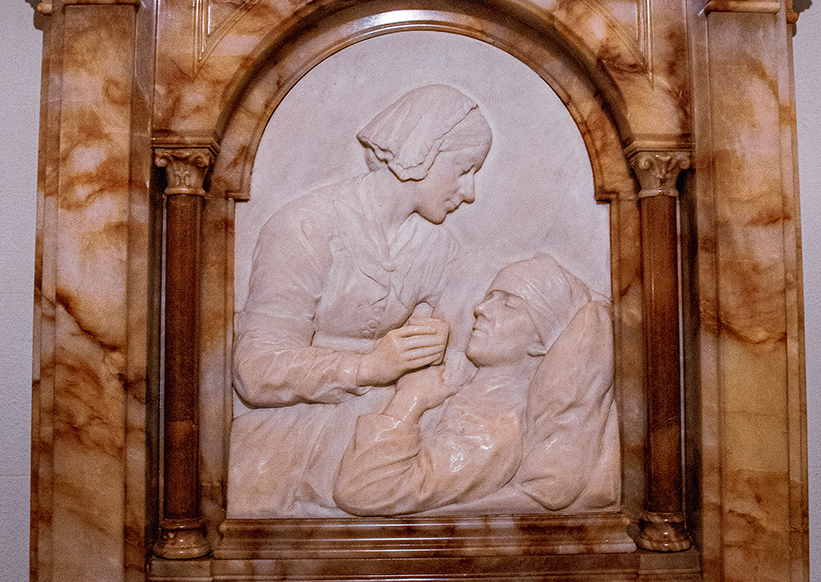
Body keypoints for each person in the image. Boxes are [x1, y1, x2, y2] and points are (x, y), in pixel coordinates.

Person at [228, 84, 492, 516]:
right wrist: (368, 366)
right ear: (422, 153)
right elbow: (253, 370)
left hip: (378, 424)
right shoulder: (307, 226)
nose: (469, 191)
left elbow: (458, 355)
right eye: (463, 169)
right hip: (297, 435)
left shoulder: (439, 247)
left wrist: (446, 348)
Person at [334, 254, 620, 517]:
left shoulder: (493, 430)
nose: (480, 308)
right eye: (490, 297)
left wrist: (409, 400)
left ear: (540, 343)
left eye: (509, 304)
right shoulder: (469, 390)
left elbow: (365, 492)